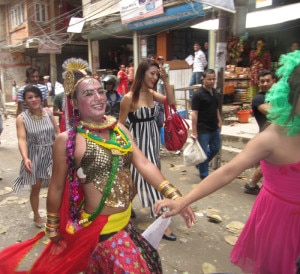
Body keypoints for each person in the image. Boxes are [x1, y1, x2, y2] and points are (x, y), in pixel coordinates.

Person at [0, 58, 194, 273]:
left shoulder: (120, 129)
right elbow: (56, 187)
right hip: (101, 232)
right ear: (74, 102)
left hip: (126, 224)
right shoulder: (67, 140)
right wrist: (53, 227)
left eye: (100, 91)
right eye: (88, 93)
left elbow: (145, 163)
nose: (98, 97)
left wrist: (177, 197)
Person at [155, 50, 300, 274]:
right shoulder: (271, 138)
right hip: (279, 224)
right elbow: (227, 172)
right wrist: (182, 201)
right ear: (293, 95)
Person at [119, 58, 178, 241]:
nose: (154, 77)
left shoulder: (152, 93)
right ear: (142, 73)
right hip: (137, 143)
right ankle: (162, 220)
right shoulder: (129, 98)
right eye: (151, 73)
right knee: (150, 180)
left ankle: (123, 208)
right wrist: (127, 146)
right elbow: (120, 125)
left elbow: (171, 101)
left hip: (152, 139)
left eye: (156, 74)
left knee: (138, 181)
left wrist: (166, 81)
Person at [13, 85, 59, 228]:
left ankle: (54, 215)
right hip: (35, 156)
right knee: (36, 188)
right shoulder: (22, 118)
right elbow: (21, 139)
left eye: (36, 96)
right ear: (25, 101)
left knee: (56, 186)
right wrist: (26, 157)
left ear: (41, 97)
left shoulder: (48, 113)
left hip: (52, 153)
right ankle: (37, 215)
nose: (34, 100)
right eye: (30, 97)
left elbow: (57, 132)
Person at [244, 70, 276, 195]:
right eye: (262, 81)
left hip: (278, 136)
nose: (265, 84)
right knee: (267, 163)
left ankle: (253, 185)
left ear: (274, 81)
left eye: (268, 81)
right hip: (266, 137)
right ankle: (252, 185)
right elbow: (272, 112)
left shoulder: (278, 96)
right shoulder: (258, 98)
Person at [191, 69, 222, 180]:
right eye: (209, 79)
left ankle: (200, 164)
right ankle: (204, 175)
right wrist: (194, 131)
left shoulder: (215, 93)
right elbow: (194, 113)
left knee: (216, 148)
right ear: (203, 79)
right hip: (203, 129)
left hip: (214, 127)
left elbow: (216, 108)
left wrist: (219, 120)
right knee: (203, 152)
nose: (211, 81)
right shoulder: (198, 95)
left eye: (213, 79)